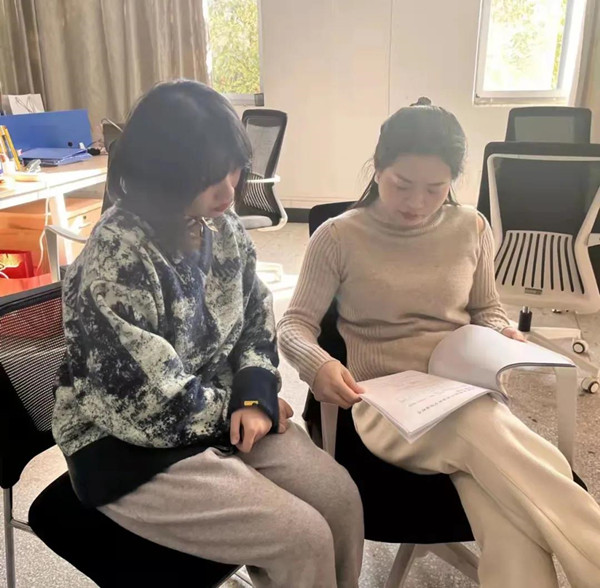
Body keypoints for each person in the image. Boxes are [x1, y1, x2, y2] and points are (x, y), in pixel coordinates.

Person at [52, 80, 363, 588]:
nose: (229, 191)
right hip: (125, 449)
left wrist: (256, 391)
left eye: (233, 169)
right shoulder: (116, 258)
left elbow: (256, 316)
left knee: (340, 499)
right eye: (208, 178)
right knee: (302, 539)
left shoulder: (223, 226)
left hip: (218, 413)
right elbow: (143, 406)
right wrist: (236, 409)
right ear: (162, 177)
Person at [278, 97, 600, 588]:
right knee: (495, 437)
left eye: (435, 188)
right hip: (384, 404)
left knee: (507, 517)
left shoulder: (471, 227)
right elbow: (294, 324)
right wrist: (318, 364)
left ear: (453, 180)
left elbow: (486, 308)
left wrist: (501, 334)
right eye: (401, 184)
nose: (416, 202)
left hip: (464, 389)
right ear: (377, 167)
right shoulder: (339, 236)